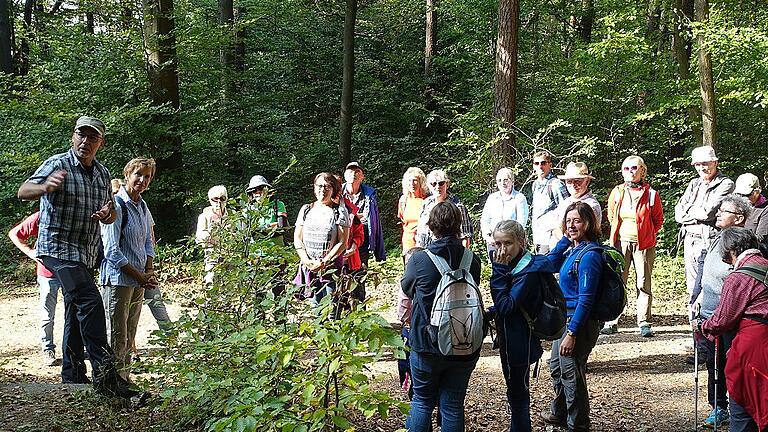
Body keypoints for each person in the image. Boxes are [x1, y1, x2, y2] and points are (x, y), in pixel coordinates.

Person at [16, 116, 136, 398]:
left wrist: (109, 214)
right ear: (73, 137)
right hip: (56, 249)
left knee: (75, 307)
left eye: (92, 137)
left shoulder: (103, 173)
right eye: (81, 135)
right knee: (90, 301)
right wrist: (45, 188)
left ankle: (72, 374)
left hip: (85, 253)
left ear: (100, 143)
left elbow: (111, 212)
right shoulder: (57, 164)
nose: (85, 141)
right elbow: (24, 191)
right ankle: (106, 378)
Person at [401, 201, 482, 432]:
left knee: (422, 401)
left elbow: (407, 289)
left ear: (431, 226)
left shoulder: (419, 261)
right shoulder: (472, 260)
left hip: (427, 343)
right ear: (458, 225)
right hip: (464, 342)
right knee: (453, 405)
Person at [690, 194, 753, 428]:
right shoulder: (718, 237)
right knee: (712, 363)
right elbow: (703, 270)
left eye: (723, 211)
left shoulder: (745, 242)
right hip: (708, 313)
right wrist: (695, 297)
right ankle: (718, 406)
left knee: (730, 364)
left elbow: (742, 280)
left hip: (730, 316)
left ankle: (739, 408)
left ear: (738, 218)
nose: (718, 214)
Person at [540, 201, 602, 432]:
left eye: (577, 220)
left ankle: (578, 424)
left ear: (588, 222)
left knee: (571, 374)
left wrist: (573, 333)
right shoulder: (573, 250)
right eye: (568, 221)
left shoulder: (590, 256)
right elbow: (548, 263)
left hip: (578, 323)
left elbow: (587, 299)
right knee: (556, 366)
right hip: (564, 320)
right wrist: (565, 239)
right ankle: (560, 412)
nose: (572, 225)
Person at [699, 227, 768, 432]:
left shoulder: (738, 277)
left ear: (731, 251)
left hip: (752, 348)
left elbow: (723, 319)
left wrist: (703, 326)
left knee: (742, 406)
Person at [490, 219, 556, 432]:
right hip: (512, 338)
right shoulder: (517, 265)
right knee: (515, 392)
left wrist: (498, 272)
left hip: (520, 342)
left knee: (518, 395)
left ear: (521, 242)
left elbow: (508, 306)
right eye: (497, 244)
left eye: (507, 243)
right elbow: (511, 302)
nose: (502, 250)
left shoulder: (527, 271)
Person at [99, 157, 157, 381]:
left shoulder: (142, 205)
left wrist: (149, 271)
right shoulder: (116, 204)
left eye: (147, 176)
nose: (142, 180)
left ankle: (124, 380)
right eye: (138, 175)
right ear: (127, 175)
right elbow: (111, 250)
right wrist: (140, 275)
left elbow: (146, 242)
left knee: (130, 334)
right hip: (118, 281)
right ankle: (111, 385)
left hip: (139, 281)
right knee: (116, 335)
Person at [601, 156, 664, 337]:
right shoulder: (617, 192)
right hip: (621, 243)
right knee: (618, 281)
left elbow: (658, 220)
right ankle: (612, 320)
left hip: (643, 245)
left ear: (643, 170)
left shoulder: (651, 194)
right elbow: (612, 216)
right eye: (627, 168)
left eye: (635, 168)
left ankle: (644, 322)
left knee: (643, 282)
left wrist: (647, 234)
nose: (631, 171)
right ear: (622, 171)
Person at [674, 145, 734, 313]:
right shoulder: (694, 184)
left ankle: (708, 320)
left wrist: (690, 210)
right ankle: (693, 319)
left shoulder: (726, 184)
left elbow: (708, 213)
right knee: (692, 283)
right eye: (698, 164)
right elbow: (678, 212)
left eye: (706, 163)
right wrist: (695, 213)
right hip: (689, 238)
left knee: (708, 281)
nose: (702, 168)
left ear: (715, 163)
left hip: (709, 238)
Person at [8, 212, 62, 366]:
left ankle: (73, 348)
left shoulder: (72, 210)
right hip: (47, 273)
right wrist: (30, 252)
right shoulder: (41, 216)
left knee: (73, 313)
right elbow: (14, 233)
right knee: (47, 314)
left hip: (71, 271)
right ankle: (47, 349)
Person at [294, 173, 351, 305]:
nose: (323, 190)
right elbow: (297, 238)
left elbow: (343, 242)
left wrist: (324, 262)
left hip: (332, 270)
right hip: (309, 269)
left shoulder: (340, 211)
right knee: (315, 308)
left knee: (332, 310)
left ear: (333, 190)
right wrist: (306, 261)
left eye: (327, 186)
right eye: (319, 186)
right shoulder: (306, 210)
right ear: (314, 188)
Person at [416, 169, 474, 248]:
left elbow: (465, 236)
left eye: (441, 183)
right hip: (426, 250)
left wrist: (463, 257)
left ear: (447, 184)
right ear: (429, 186)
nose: (437, 187)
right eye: (433, 184)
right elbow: (420, 231)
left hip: (448, 251)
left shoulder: (457, 206)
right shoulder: (426, 204)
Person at [480, 167, 530, 259]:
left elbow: (521, 223)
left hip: (512, 243)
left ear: (512, 181)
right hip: (494, 242)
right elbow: (484, 220)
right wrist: (488, 237)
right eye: (499, 180)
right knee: (496, 268)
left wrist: (513, 240)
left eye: (505, 180)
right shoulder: (492, 198)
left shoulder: (519, 198)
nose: (502, 183)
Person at [550, 162, 602, 247]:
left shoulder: (591, 205)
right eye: (569, 181)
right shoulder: (566, 202)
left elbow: (581, 235)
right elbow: (554, 227)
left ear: (587, 181)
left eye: (578, 181)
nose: (573, 185)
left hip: (579, 252)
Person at [530, 151, 569, 254]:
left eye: (543, 163)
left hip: (551, 239)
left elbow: (566, 211)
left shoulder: (556, 184)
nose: (540, 166)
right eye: (537, 163)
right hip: (538, 237)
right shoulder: (535, 185)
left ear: (550, 165)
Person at [196, 185, 229, 284]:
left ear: (226, 200)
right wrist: (210, 235)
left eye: (222, 199)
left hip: (230, 255)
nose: (219, 202)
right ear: (210, 200)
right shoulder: (204, 217)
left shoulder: (233, 216)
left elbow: (240, 235)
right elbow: (199, 237)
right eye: (215, 199)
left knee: (230, 285)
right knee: (211, 280)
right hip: (212, 255)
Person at [398, 167, 430, 257]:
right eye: (409, 180)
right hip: (408, 244)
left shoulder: (428, 200)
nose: (412, 184)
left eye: (415, 180)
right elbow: (403, 221)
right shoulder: (403, 200)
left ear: (421, 182)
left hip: (425, 243)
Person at [735, 173, 768, 245]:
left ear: (758, 190)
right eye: (739, 194)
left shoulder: (765, 210)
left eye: (747, 194)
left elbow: (760, 239)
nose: (743, 198)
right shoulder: (734, 206)